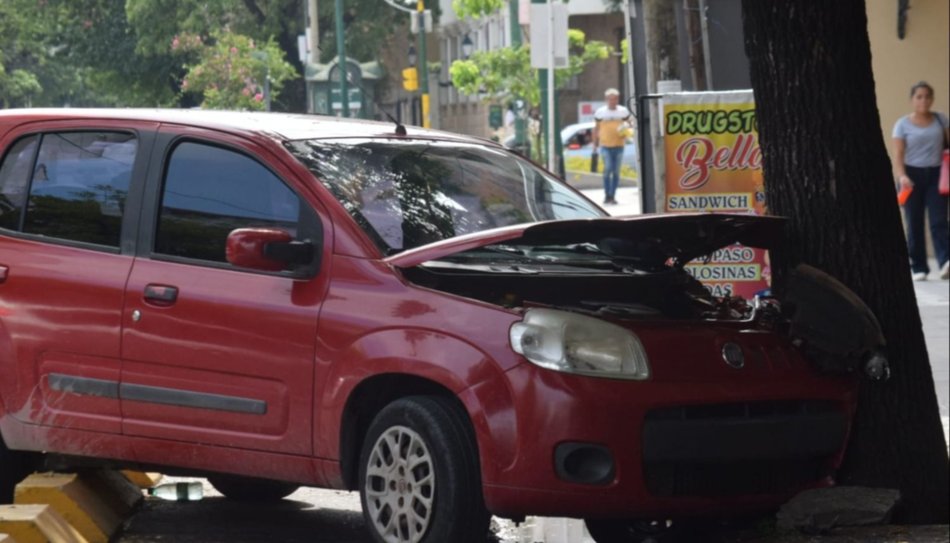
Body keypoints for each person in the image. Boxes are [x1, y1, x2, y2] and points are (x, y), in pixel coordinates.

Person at [892, 81, 950, 281]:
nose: (923, 100)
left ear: (932, 99)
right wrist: (902, 176)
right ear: (912, 100)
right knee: (914, 221)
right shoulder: (902, 124)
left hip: (937, 176)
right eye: (919, 96)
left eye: (927, 96)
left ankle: (945, 262)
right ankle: (919, 267)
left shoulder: (941, 120)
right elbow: (898, 154)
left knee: (939, 220)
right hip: (911, 176)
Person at [592, 88, 632, 205]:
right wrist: (595, 144)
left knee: (616, 172)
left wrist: (626, 130)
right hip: (605, 145)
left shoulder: (623, 111)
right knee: (608, 169)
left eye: (615, 99)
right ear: (606, 100)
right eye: (610, 99)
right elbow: (596, 129)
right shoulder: (600, 112)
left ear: (617, 99)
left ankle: (612, 195)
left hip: (619, 145)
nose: (612, 101)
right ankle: (606, 194)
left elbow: (630, 124)